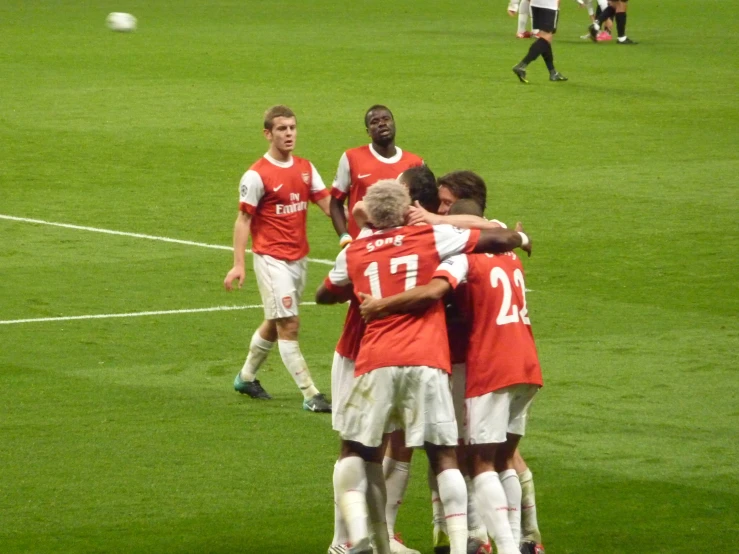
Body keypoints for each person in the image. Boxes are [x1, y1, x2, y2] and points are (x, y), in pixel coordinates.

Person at [317, 181, 532, 554]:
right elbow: (497, 241)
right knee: (444, 454)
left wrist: (368, 294)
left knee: (359, 449)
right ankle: (467, 543)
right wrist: (520, 236)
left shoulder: (355, 250)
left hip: (371, 358)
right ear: (406, 210)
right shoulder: (432, 237)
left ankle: (360, 540)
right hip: (430, 359)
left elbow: (324, 295)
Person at [326, 166, 438, 554]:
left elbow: (327, 291)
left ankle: (377, 537)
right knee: (360, 445)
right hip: (363, 351)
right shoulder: (428, 239)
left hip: (382, 352)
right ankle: (344, 541)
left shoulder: (363, 243)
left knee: (382, 444)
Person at [224, 105, 332, 413]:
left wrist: (361, 231)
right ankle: (311, 394)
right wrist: (239, 264)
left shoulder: (305, 168)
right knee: (289, 323)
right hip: (272, 260)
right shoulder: (257, 175)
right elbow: (243, 220)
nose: (289, 134)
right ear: (267, 134)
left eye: (292, 128)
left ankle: (245, 377)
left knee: (275, 320)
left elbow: (328, 206)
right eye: (282, 129)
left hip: (299, 259)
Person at [329, 105, 424, 245]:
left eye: (386, 119)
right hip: (362, 245)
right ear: (368, 132)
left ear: (394, 123)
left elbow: (424, 207)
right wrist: (344, 237)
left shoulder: (415, 163)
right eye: (375, 122)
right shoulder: (351, 158)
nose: (382, 124)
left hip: (402, 245)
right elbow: (336, 203)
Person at [512, 0, 568, 83]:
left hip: (535, 4)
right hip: (548, 5)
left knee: (545, 36)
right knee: (546, 36)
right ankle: (521, 66)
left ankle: (553, 72)